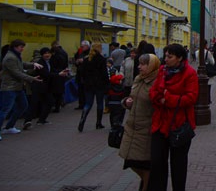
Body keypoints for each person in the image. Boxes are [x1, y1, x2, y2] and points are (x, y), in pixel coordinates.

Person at [148, 43, 198, 191]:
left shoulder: (189, 73)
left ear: (179, 58)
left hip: (179, 125)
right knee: (157, 163)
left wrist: (167, 98)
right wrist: (159, 98)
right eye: (166, 56)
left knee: (178, 166)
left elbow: (191, 98)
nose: (166, 59)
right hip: (160, 123)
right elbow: (153, 92)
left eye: (170, 56)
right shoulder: (162, 71)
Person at [119, 53, 160, 191]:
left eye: (143, 64)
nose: (139, 67)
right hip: (131, 127)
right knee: (130, 161)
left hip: (145, 129)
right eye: (139, 64)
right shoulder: (138, 79)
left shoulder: (157, 81)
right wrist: (126, 102)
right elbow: (131, 97)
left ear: (152, 66)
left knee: (143, 164)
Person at [0, 39, 43, 141]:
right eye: (21, 47)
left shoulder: (15, 56)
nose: (23, 49)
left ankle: (9, 126)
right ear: (16, 47)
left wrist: (33, 64)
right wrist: (32, 79)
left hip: (17, 87)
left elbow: (21, 64)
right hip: (9, 87)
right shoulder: (10, 58)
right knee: (6, 109)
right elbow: (17, 72)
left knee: (23, 106)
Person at [23, 47, 69, 128]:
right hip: (38, 85)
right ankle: (27, 121)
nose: (47, 55)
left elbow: (52, 71)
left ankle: (42, 120)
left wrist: (61, 71)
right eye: (45, 53)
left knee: (50, 101)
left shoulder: (50, 62)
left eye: (49, 53)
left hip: (46, 86)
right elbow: (46, 74)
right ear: (42, 55)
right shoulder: (40, 63)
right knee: (34, 103)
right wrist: (58, 74)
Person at [78, 42, 109, 132]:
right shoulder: (101, 59)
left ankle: (82, 121)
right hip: (99, 85)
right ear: (99, 48)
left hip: (88, 85)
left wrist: (85, 80)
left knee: (88, 103)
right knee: (100, 103)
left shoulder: (87, 59)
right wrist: (107, 84)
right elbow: (104, 73)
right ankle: (98, 123)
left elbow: (82, 71)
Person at [50, 40, 69, 113]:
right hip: (63, 72)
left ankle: (56, 106)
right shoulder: (64, 52)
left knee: (56, 91)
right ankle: (60, 104)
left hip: (57, 73)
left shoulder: (55, 54)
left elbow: (53, 64)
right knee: (60, 90)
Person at [74, 40, 91, 110]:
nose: (81, 48)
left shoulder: (91, 53)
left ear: (87, 46)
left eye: (82, 46)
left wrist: (83, 60)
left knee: (86, 91)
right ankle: (81, 104)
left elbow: (91, 64)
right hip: (80, 75)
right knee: (80, 90)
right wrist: (77, 62)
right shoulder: (80, 53)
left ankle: (86, 104)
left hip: (86, 75)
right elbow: (76, 60)